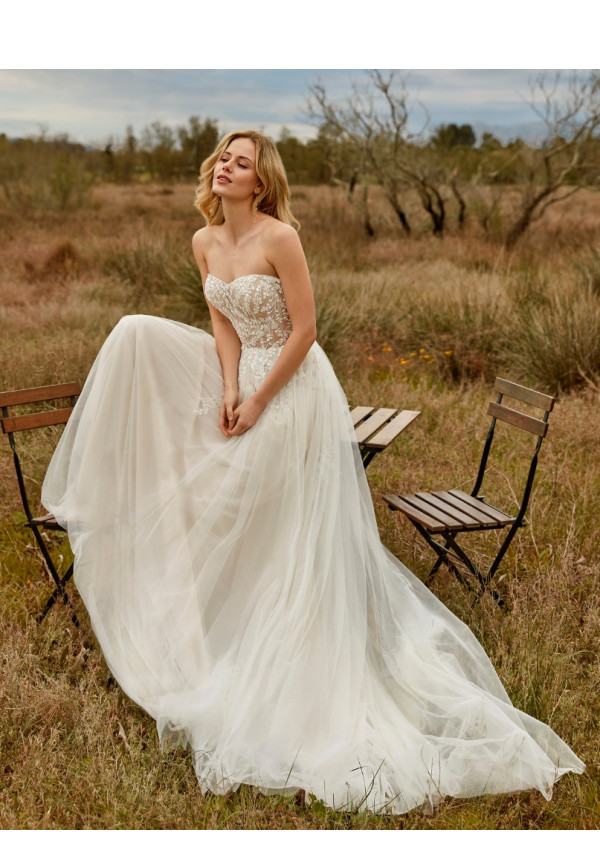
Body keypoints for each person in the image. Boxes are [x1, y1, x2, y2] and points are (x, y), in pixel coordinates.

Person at [42, 130, 584, 815]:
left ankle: (302, 664)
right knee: (136, 337)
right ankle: (231, 642)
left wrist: (264, 398)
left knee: (290, 525)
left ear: (260, 180)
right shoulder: (203, 242)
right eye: (224, 159)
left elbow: (305, 329)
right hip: (249, 379)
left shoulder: (280, 238)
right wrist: (232, 390)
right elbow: (222, 325)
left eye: (241, 162)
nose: (228, 167)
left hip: (296, 388)